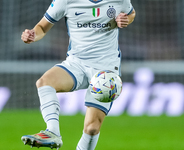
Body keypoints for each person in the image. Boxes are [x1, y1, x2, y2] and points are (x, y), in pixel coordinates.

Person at [21, 0, 135, 149]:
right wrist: (32, 34)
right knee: (44, 82)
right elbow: (42, 27)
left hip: (105, 70)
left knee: (92, 128)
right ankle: (52, 132)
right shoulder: (65, 1)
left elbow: (131, 12)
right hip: (76, 63)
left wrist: (126, 19)